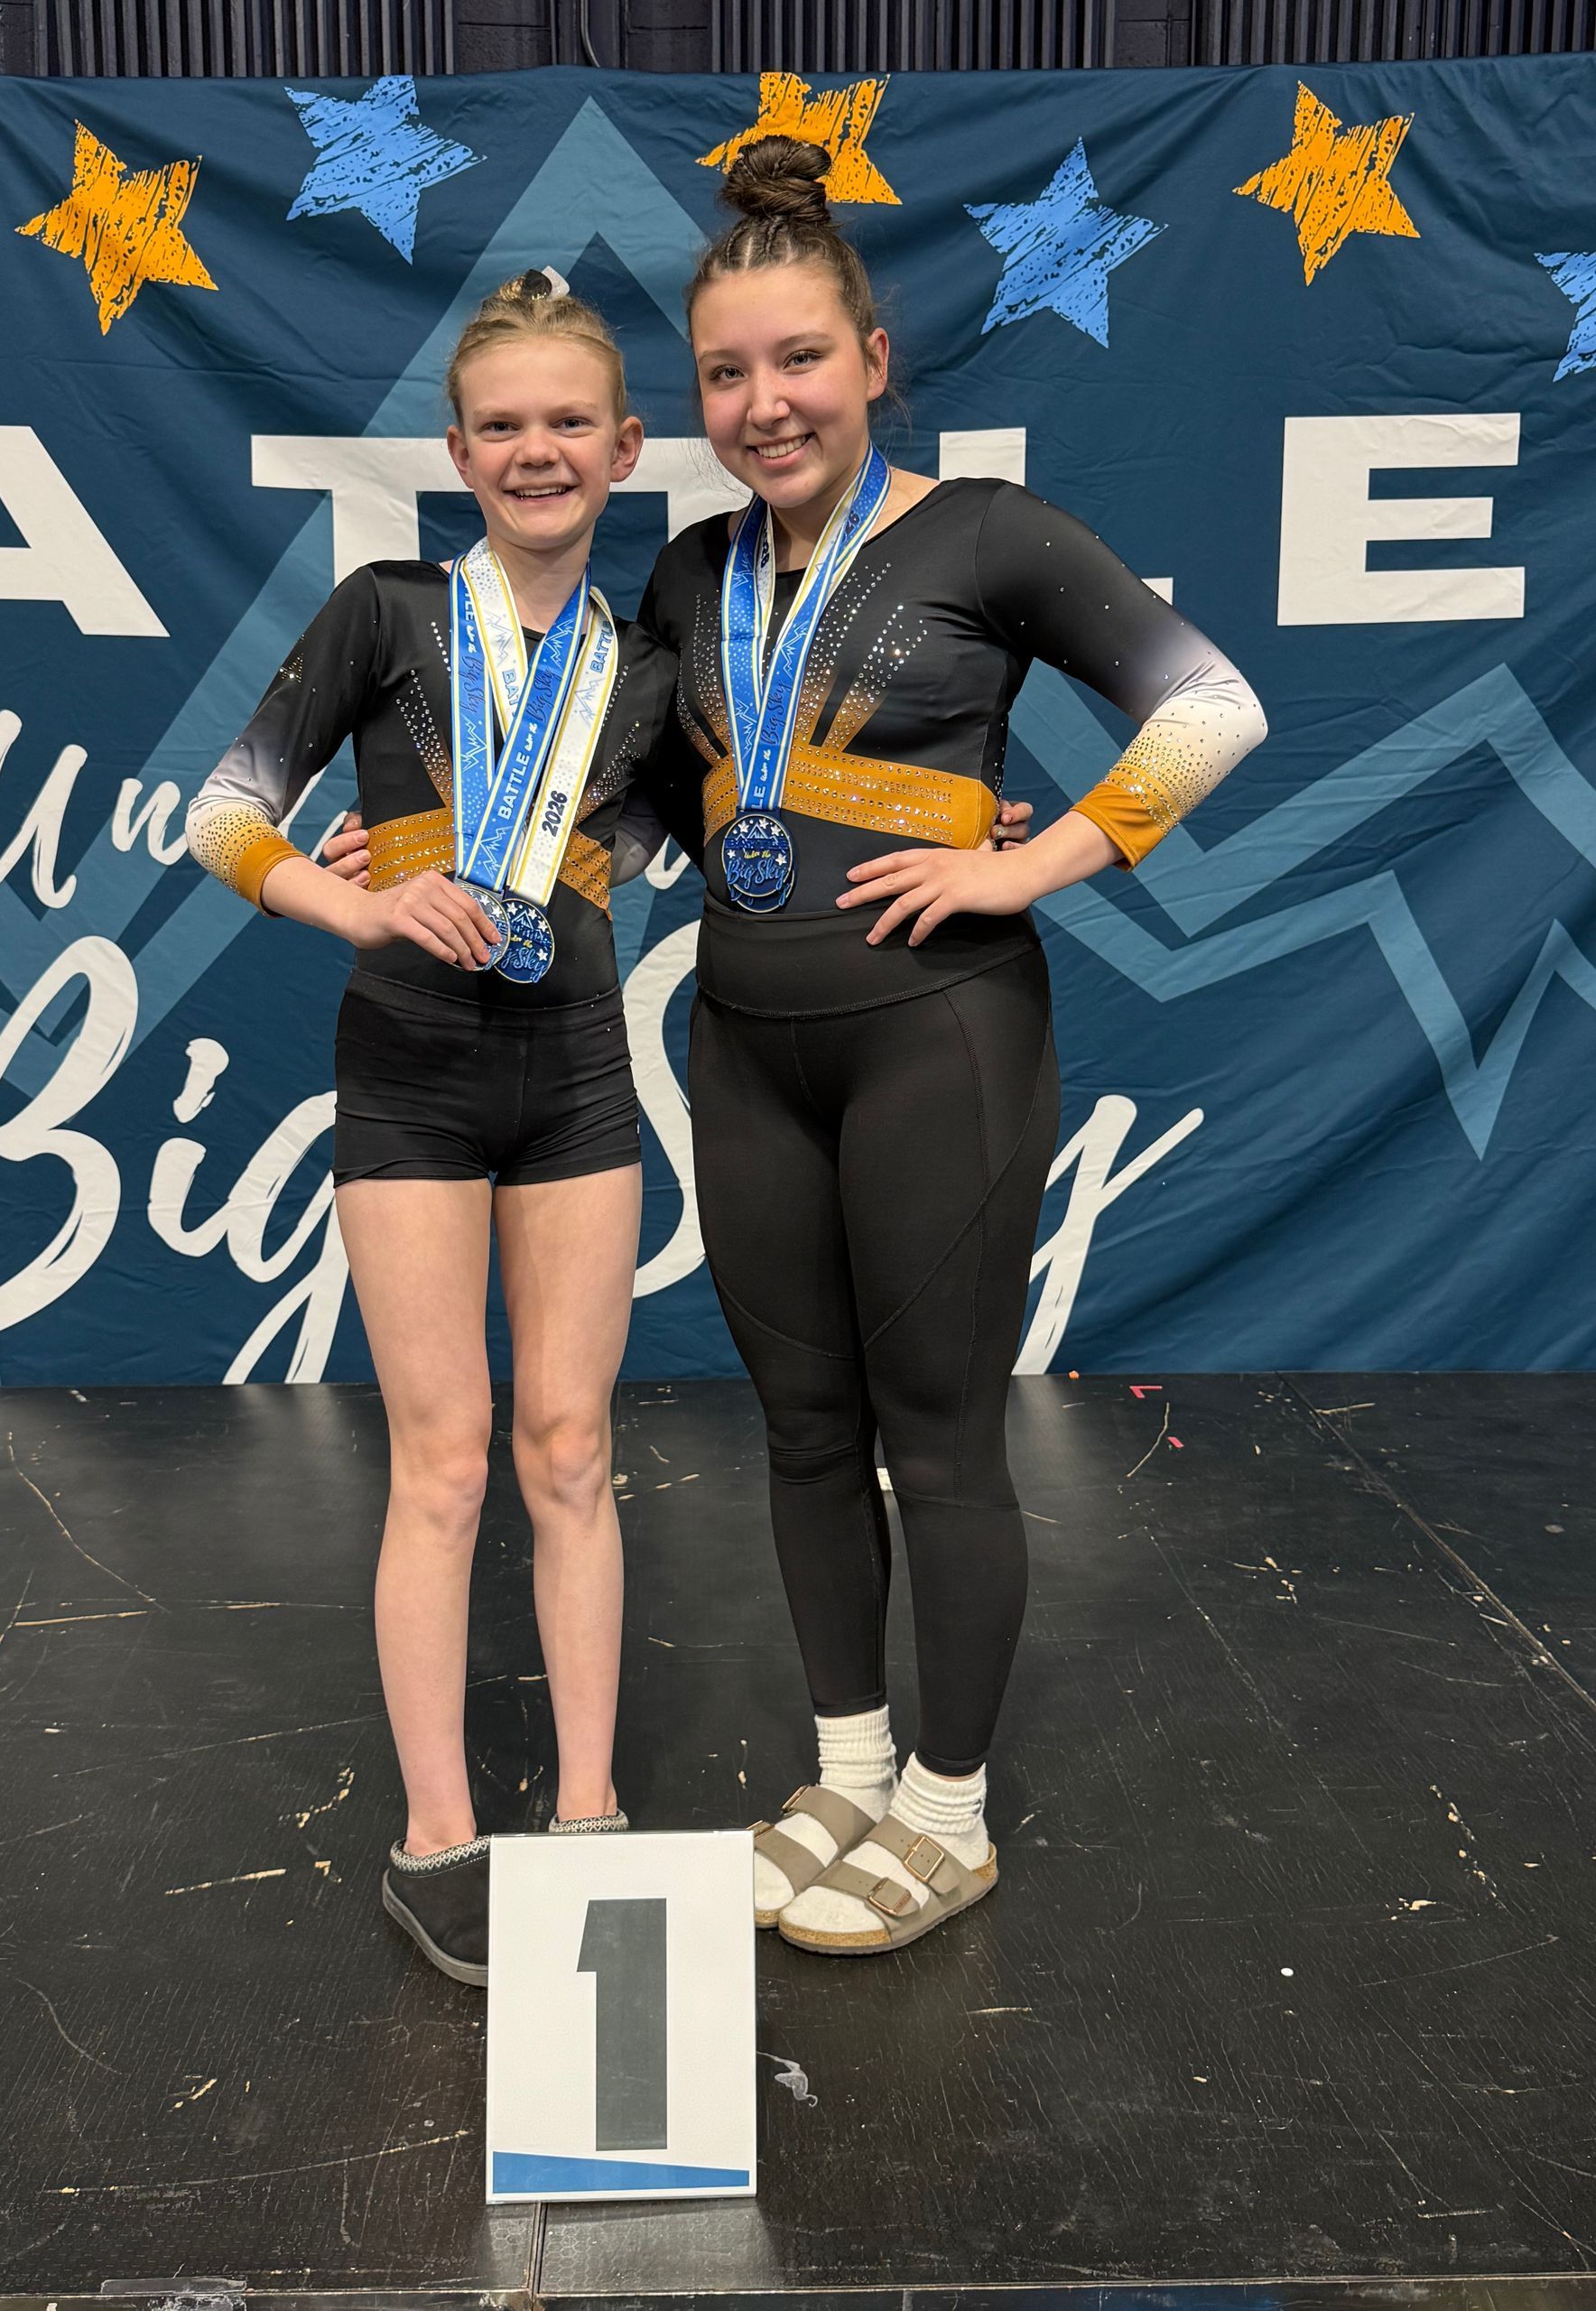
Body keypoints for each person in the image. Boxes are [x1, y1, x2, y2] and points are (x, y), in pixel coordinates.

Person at [634, 136, 1269, 1956]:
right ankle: (845, 1768)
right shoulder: (691, 576)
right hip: (746, 1053)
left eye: (800, 360)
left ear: (875, 356)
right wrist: (426, 848)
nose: (767, 403)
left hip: (937, 1045)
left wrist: (1043, 860)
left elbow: (1210, 705)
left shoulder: (985, 533)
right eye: (730, 374)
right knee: (802, 1427)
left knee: (940, 1433)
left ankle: (951, 1809)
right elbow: (643, 796)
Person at [186, 273, 686, 1987]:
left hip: (580, 1089)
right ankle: (437, 1834)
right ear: (455, 448)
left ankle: (595, 1821)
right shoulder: (387, 613)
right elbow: (225, 814)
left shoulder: (657, 669)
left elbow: (767, 822)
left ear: (627, 448)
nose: (537, 449)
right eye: (504, 424)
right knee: (448, 1462)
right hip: (406, 1076)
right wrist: (366, 910)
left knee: (570, 1452)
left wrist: (951, 802)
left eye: (571, 423)